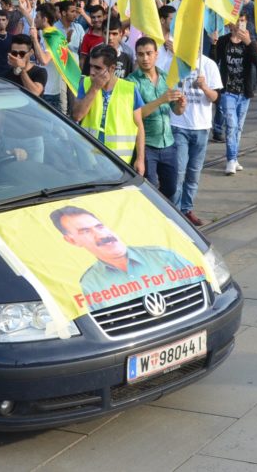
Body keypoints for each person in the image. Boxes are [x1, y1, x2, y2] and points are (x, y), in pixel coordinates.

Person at [49, 205, 205, 312]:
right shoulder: (88, 284)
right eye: (85, 231)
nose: (101, 235)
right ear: (72, 241)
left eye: (99, 226)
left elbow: (205, 287)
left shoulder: (164, 255)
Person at [72, 44, 146, 175]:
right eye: (91, 66)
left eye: (98, 68)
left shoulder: (129, 89)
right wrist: (94, 88)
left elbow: (139, 126)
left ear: (112, 69)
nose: (92, 71)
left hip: (118, 162)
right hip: (89, 159)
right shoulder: (86, 83)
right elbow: (77, 116)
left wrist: (140, 159)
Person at [127, 37, 186, 200]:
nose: (145, 58)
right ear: (136, 56)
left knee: (171, 188)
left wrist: (181, 105)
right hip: (147, 146)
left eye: (148, 53)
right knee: (149, 190)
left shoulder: (167, 78)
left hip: (168, 143)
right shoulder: (131, 82)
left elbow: (177, 111)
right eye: (140, 54)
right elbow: (134, 116)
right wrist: (161, 100)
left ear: (156, 55)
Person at [171, 51, 222, 226]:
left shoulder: (209, 65)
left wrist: (205, 87)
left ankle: (187, 209)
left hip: (201, 127)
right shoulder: (175, 62)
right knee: (178, 172)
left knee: (193, 173)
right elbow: (165, 88)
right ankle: (175, 210)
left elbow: (215, 97)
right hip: (179, 125)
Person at [215, 14, 257, 174]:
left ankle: (234, 158)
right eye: (237, 21)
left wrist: (249, 43)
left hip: (244, 91)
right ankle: (230, 159)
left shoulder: (250, 42)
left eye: (242, 20)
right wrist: (213, 45)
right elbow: (215, 61)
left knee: (239, 127)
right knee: (231, 125)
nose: (239, 24)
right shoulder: (223, 40)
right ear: (230, 23)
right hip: (228, 90)